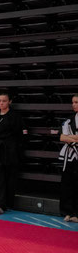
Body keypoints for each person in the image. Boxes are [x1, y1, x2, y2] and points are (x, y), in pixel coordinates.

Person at [0, 91, 26, 215]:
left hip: (10, 150)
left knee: (9, 178)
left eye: (4, 101)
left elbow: (20, 134)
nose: (1, 103)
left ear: (10, 101)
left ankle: (6, 204)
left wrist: (15, 147)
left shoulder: (15, 116)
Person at [59, 94, 78, 223]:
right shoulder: (69, 120)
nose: (74, 105)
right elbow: (62, 137)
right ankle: (67, 211)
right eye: (73, 102)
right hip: (69, 155)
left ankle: (76, 213)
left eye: (76, 102)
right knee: (67, 184)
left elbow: (67, 137)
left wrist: (69, 138)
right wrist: (74, 138)